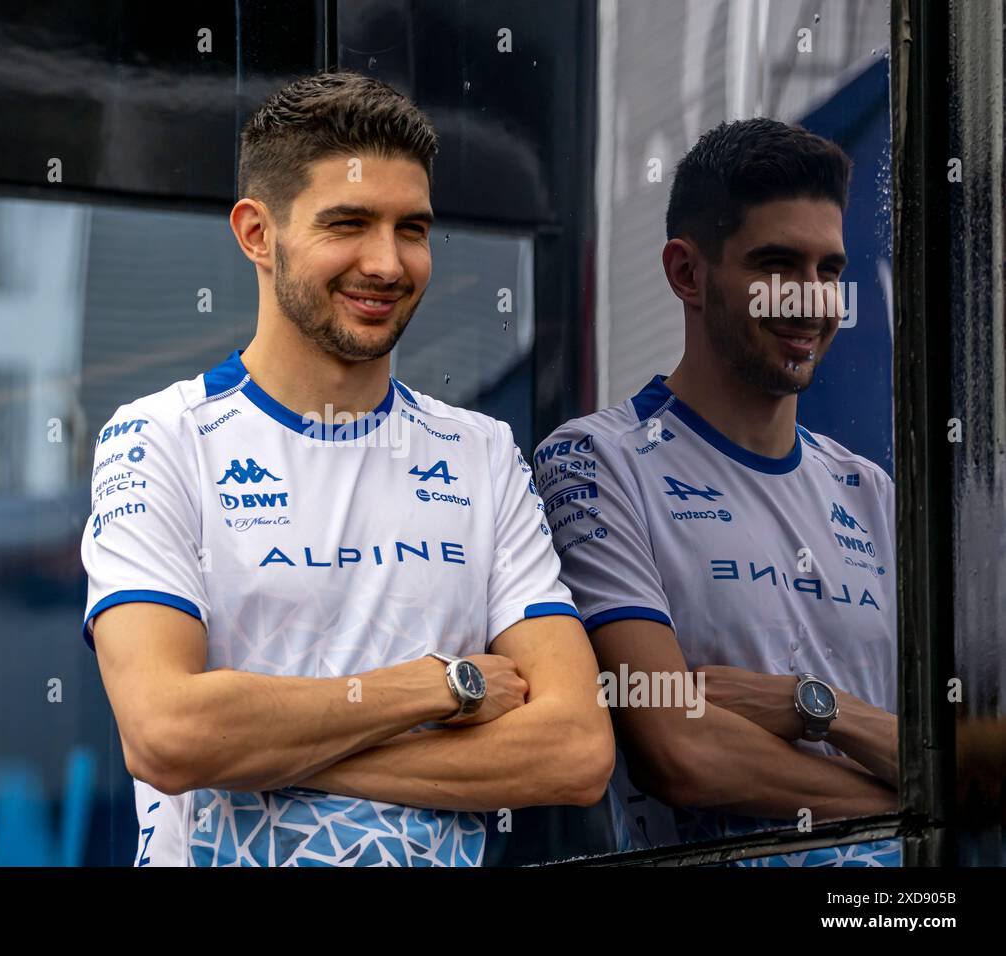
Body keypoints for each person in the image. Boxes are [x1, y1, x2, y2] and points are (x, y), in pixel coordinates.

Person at [80, 71, 613, 867]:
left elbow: (575, 750)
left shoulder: (482, 455)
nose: (388, 263)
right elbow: (167, 732)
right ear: (258, 234)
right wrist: (446, 685)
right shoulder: (161, 438)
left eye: (413, 229)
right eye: (350, 223)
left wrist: (269, 758)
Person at [535, 118, 899, 866]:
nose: (810, 301)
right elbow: (678, 746)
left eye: (829, 271)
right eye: (778, 265)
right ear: (687, 273)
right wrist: (917, 804)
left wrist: (814, 709)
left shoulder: (873, 494)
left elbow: (975, 757)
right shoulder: (595, 462)